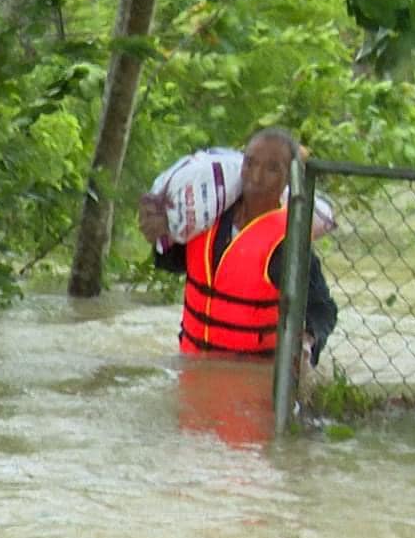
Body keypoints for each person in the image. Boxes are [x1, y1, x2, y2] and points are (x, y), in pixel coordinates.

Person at [140, 127, 338, 369]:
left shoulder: (287, 242)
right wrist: (158, 234)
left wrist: (307, 341)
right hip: (192, 366)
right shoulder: (208, 219)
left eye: (272, 169)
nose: (256, 176)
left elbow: (322, 308)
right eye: (250, 163)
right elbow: (171, 263)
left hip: (254, 374)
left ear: (289, 180)